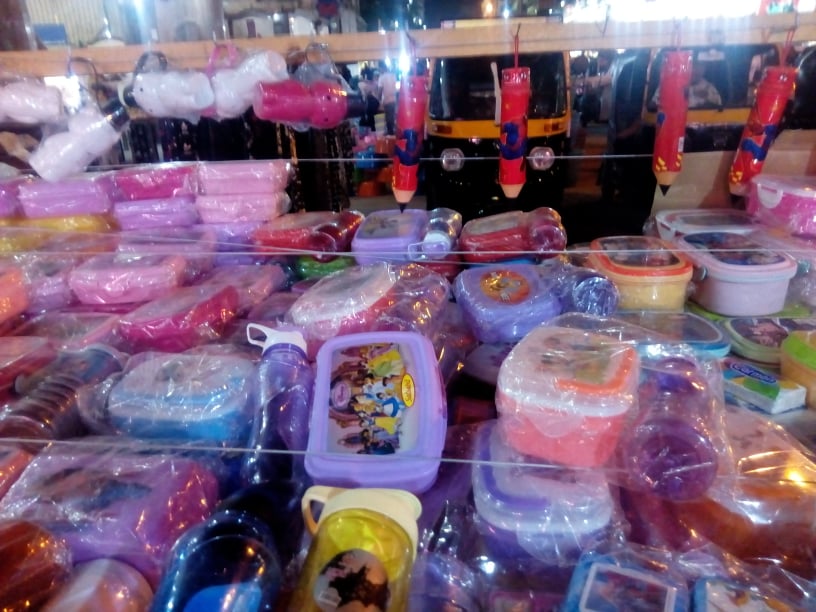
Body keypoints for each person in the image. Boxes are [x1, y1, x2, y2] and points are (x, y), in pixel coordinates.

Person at [377, 62, 397, 136]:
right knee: (392, 118)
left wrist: (378, 100)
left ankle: (390, 134)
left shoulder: (381, 78)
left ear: (382, 68)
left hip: (386, 100)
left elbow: (380, 91)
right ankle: (392, 133)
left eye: (379, 69)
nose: (379, 71)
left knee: (387, 119)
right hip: (393, 100)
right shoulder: (393, 76)